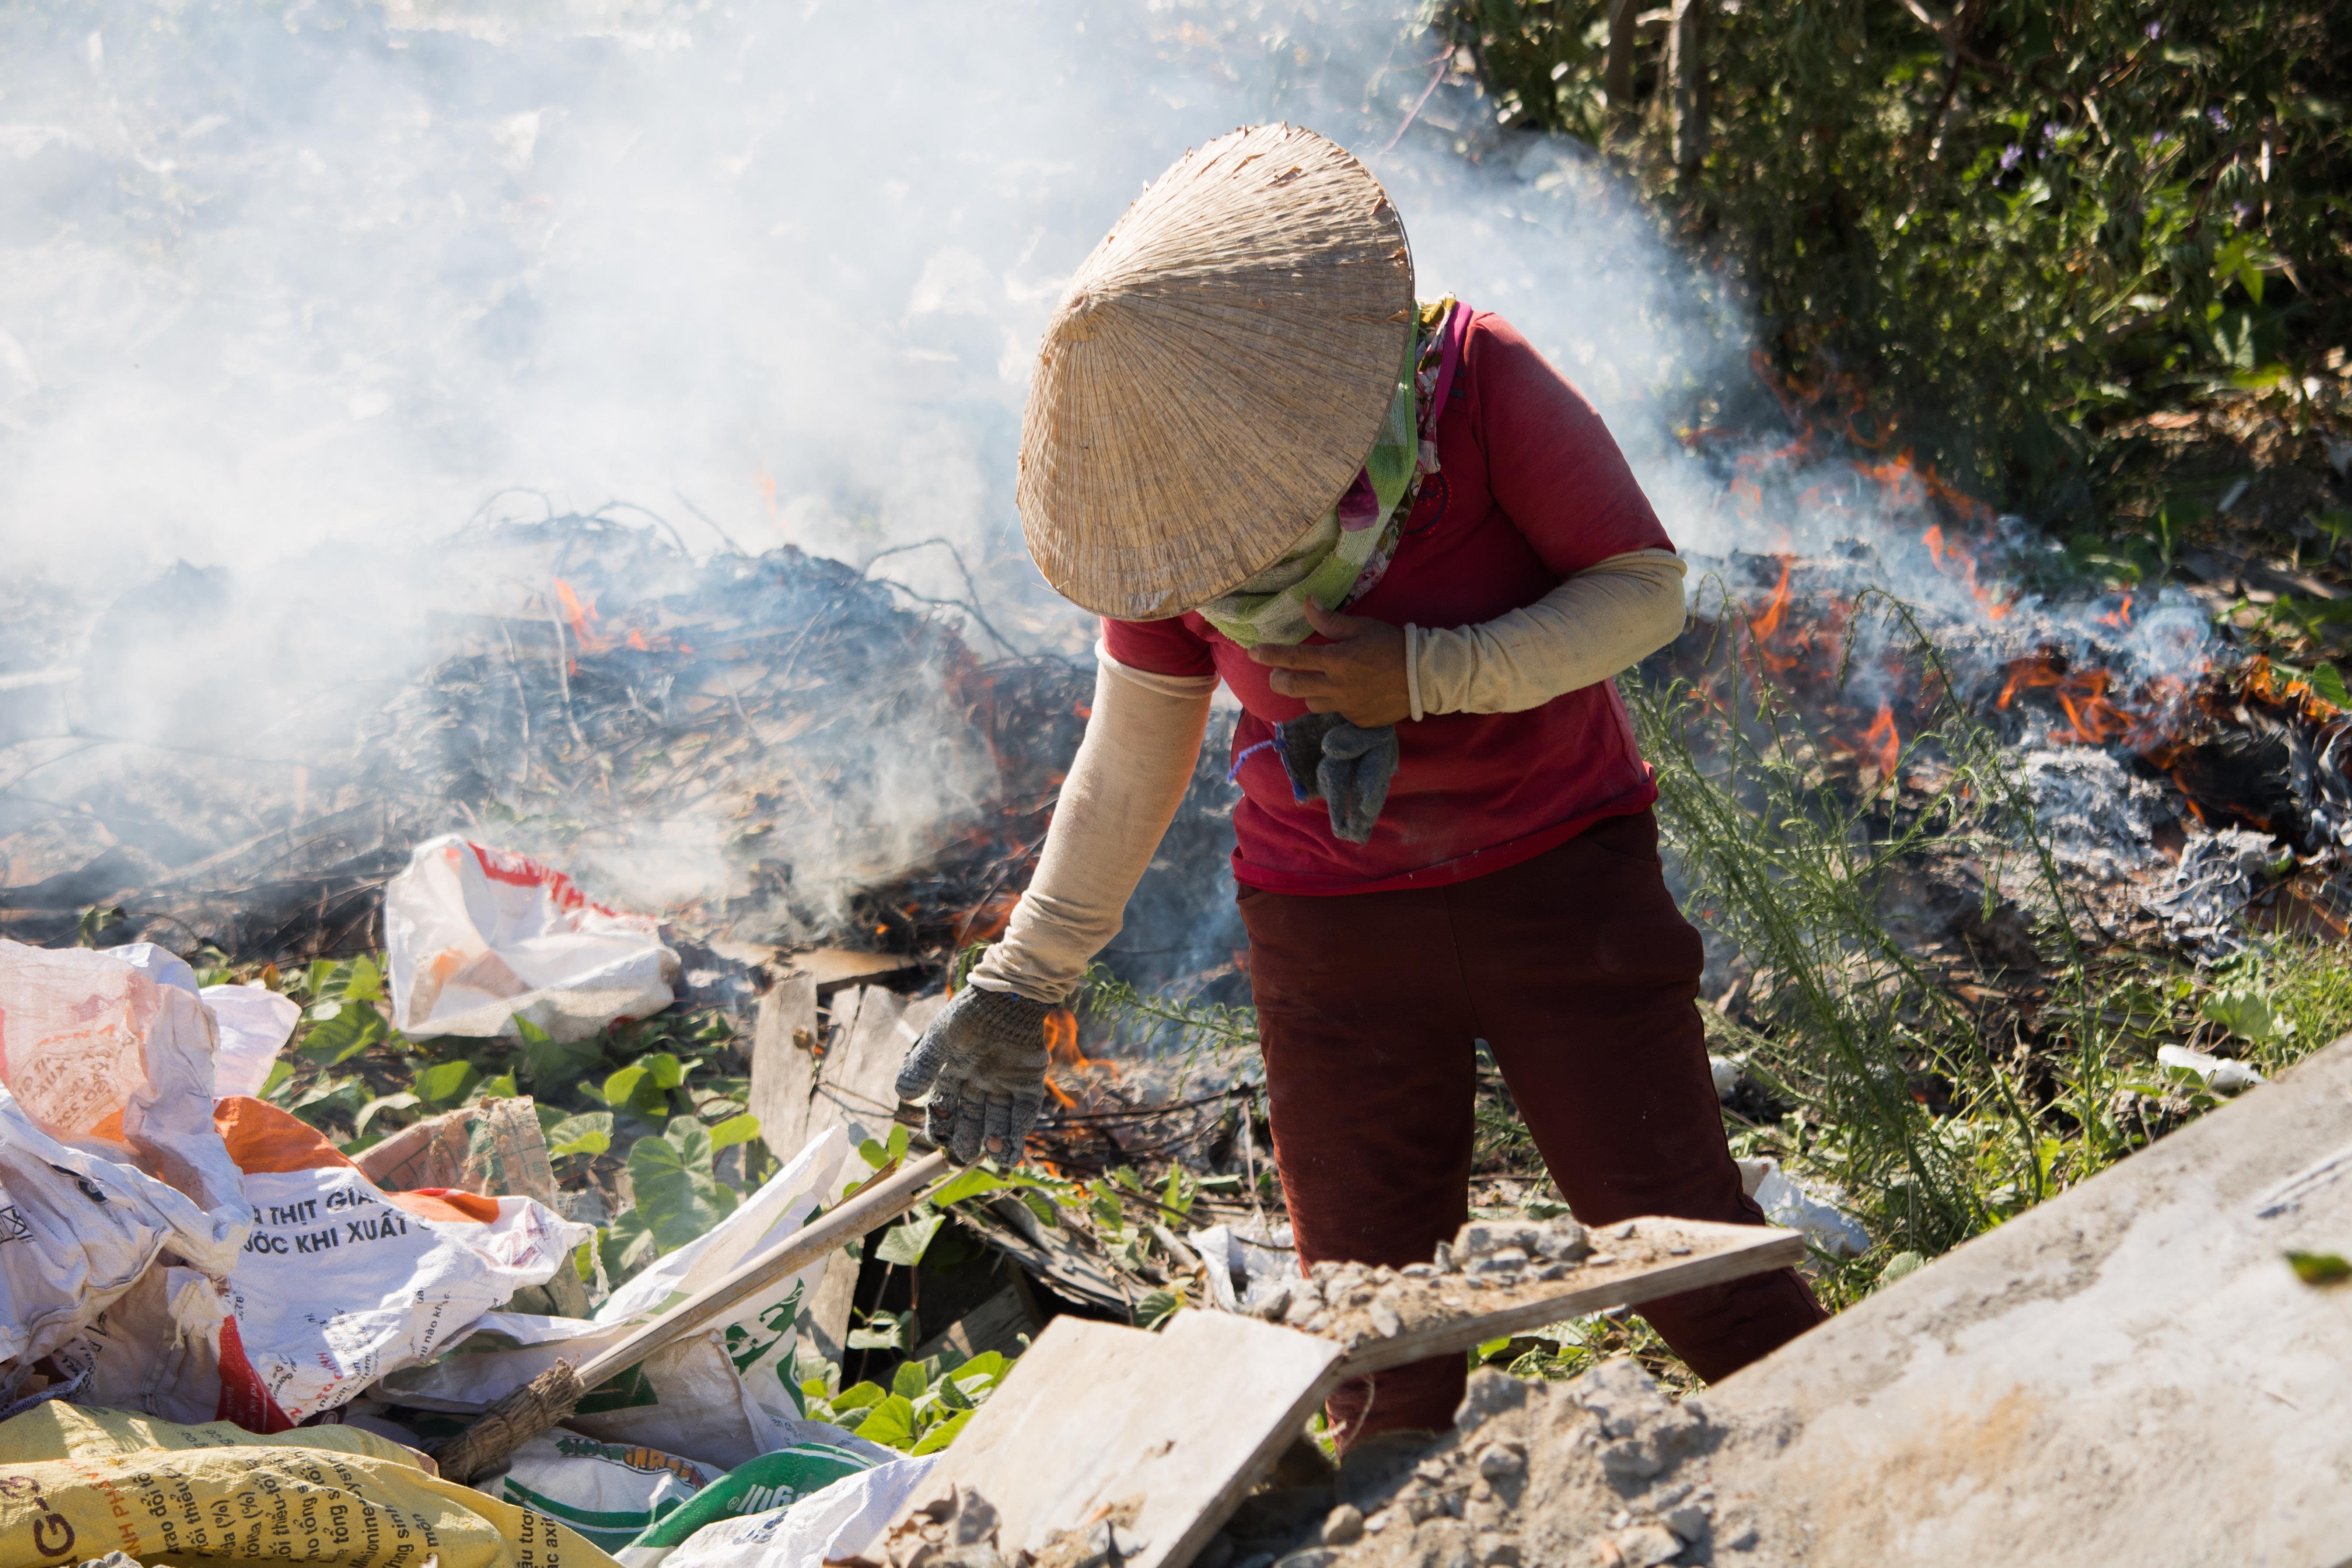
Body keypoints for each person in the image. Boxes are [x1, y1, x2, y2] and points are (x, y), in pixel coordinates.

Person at [893, 122, 1825, 1442]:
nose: (1237, 535)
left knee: (1685, 1254)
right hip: (1328, 929)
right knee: (1376, 1336)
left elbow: (1643, 592)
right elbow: (1135, 752)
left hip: (1560, 881)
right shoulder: (1167, 521)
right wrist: (1023, 980)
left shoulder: (1475, 383)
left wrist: (1429, 673)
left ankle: (1886, 1478)